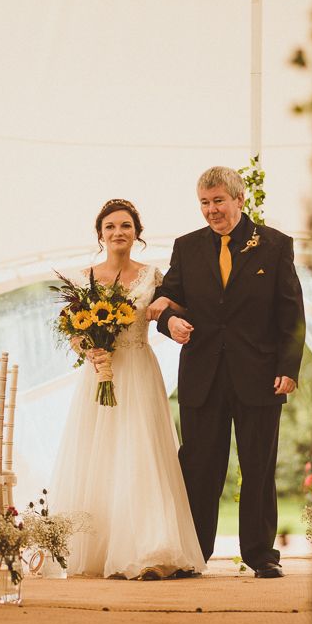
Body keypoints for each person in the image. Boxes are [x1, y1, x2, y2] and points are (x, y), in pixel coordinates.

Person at [147, 166, 305, 578]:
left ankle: (261, 554)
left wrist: (289, 367)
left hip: (259, 375)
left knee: (257, 467)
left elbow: (292, 313)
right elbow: (167, 297)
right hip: (202, 375)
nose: (211, 210)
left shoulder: (274, 245)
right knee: (199, 467)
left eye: (218, 200)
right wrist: (168, 324)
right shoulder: (187, 246)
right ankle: (192, 554)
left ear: (239, 199)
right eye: (204, 202)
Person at [50, 199, 206, 580]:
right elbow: (70, 328)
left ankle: (150, 547)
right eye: (110, 227)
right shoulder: (84, 277)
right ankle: (99, 546)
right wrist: (91, 351)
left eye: (125, 226)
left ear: (137, 232)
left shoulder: (153, 275)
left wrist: (167, 305)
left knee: (142, 453)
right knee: (100, 454)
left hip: (138, 370)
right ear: (100, 234)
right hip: (100, 373)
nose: (118, 232)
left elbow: (174, 308)